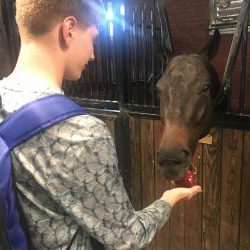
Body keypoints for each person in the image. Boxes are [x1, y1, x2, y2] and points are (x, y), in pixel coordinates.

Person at [0, 0, 202, 249]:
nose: (93, 54)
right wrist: (167, 200)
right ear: (69, 29)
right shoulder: (80, 133)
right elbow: (126, 238)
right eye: (93, 38)